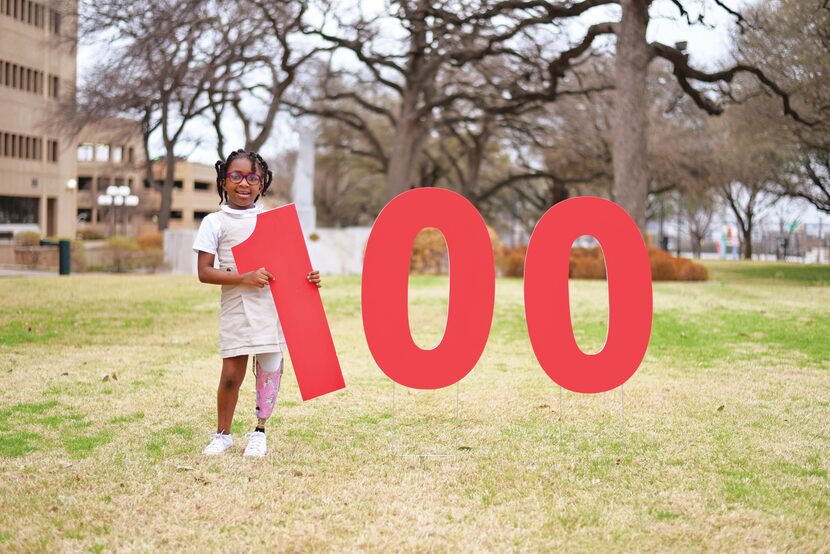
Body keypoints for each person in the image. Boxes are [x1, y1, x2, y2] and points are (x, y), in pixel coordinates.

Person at [192, 149, 321, 457]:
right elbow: (204, 272)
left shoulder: (272, 218)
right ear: (224, 180)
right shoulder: (215, 222)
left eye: (253, 178)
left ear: (262, 183)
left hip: (272, 306)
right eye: (236, 176)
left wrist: (310, 276)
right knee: (232, 374)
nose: (244, 184)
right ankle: (223, 434)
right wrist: (243, 276)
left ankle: (259, 431)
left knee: (269, 369)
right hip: (237, 304)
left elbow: (291, 264)